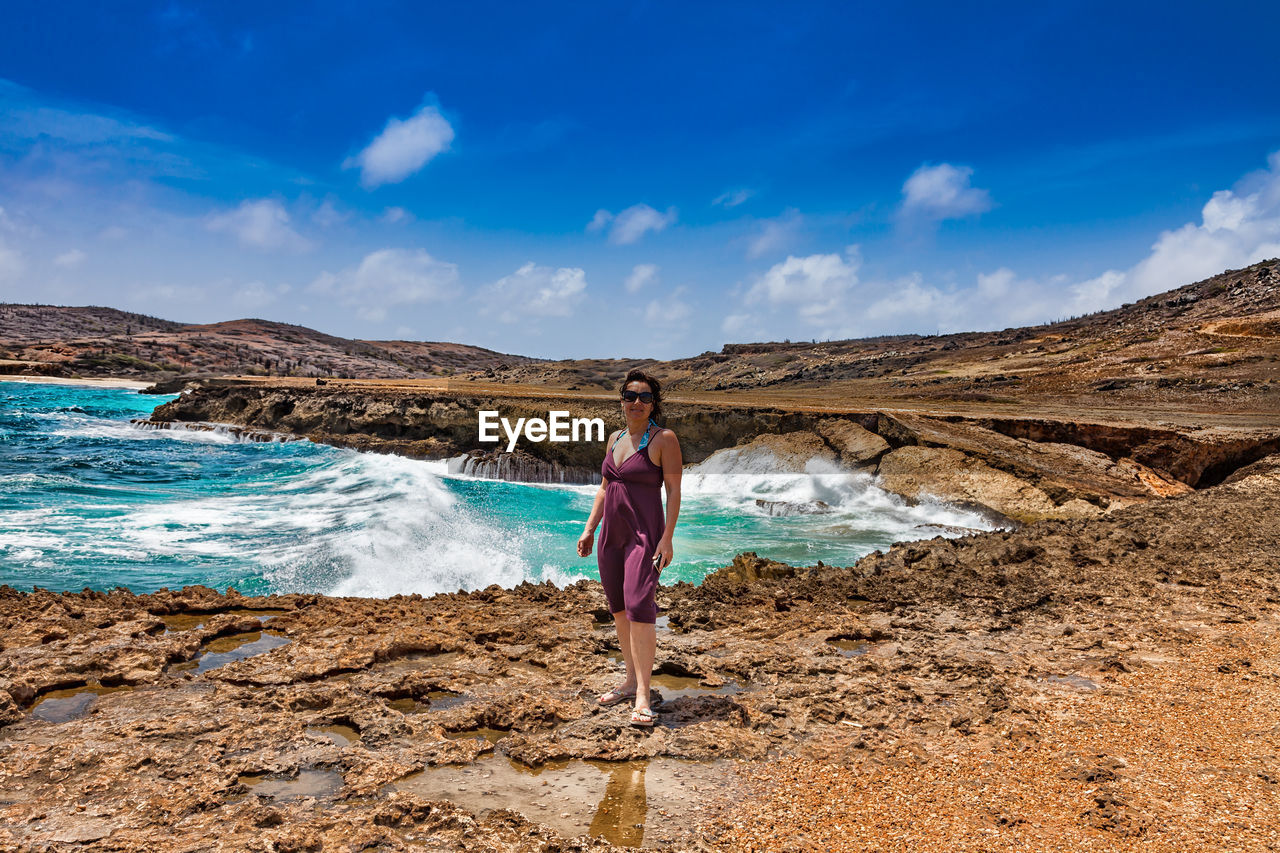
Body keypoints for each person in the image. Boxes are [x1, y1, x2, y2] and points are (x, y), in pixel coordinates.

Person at [577, 368, 682, 727]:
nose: (636, 402)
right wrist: (590, 529)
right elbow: (605, 488)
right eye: (630, 396)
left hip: (644, 535)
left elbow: (674, 493)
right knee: (619, 608)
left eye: (645, 397)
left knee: (640, 606)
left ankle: (643, 695)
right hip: (611, 535)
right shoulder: (614, 438)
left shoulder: (664, 439)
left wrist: (667, 538)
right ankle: (629, 681)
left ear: (654, 403)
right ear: (621, 400)